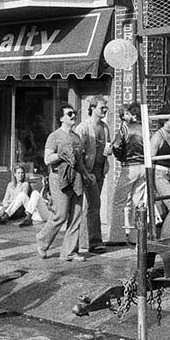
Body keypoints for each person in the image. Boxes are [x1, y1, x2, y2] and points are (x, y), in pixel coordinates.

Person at [36, 103, 92, 262]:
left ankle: (69, 252)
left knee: (76, 214)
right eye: (69, 114)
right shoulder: (54, 136)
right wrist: (61, 155)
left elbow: (79, 160)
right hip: (59, 177)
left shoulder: (77, 137)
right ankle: (42, 241)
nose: (73, 116)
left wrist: (86, 175)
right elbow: (47, 159)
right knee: (60, 214)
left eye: (74, 113)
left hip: (77, 177)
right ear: (61, 118)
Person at [75, 97, 112, 254]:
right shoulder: (83, 127)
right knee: (92, 205)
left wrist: (109, 152)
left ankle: (86, 241)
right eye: (102, 108)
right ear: (92, 108)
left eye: (106, 108)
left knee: (92, 205)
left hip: (100, 170)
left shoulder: (105, 127)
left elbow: (108, 146)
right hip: (86, 171)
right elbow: (76, 151)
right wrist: (83, 172)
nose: (105, 111)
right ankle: (92, 241)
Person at [110, 102, 146, 242]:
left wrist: (120, 157)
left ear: (133, 115)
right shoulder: (145, 129)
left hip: (129, 167)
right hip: (143, 167)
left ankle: (117, 236)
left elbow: (117, 146)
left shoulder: (125, 128)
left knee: (119, 201)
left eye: (128, 114)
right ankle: (136, 236)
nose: (125, 117)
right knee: (138, 202)